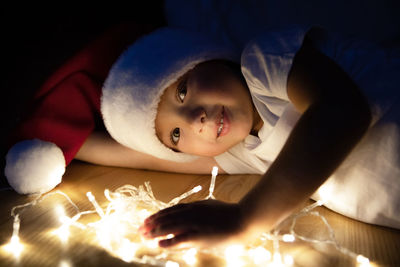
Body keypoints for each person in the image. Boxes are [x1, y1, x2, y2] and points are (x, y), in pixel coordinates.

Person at [5, 25, 400, 248]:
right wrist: (50, 135)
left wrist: (246, 218)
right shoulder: (244, 152)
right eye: (175, 134)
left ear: (208, 57)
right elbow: (140, 156)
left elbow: (341, 111)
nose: (194, 119)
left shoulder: (264, 64)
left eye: (182, 90)